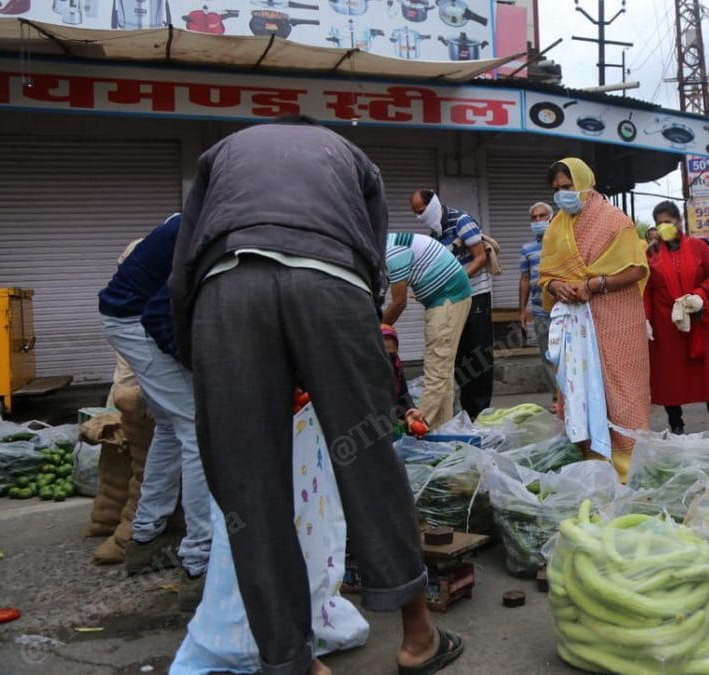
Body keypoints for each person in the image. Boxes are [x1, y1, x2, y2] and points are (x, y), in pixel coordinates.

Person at [170, 117, 462, 675]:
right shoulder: (352, 156)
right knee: (370, 459)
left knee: (249, 489)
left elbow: (184, 265)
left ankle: (294, 663)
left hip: (226, 289)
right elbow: (374, 260)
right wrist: (348, 350)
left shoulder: (221, 154)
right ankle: (418, 636)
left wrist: (205, 366)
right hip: (331, 282)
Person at [98, 213, 210, 612]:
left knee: (169, 423)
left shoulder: (202, 216)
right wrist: (196, 367)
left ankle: (145, 537)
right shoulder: (207, 231)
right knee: (196, 426)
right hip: (133, 318)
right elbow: (160, 313)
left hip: (131, 312)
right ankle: (199, 560)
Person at [539, 157, 650, 479]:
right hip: (575, 324)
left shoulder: (616, 221)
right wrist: (558, 285)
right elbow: (547, 275)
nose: (562, 194)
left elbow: (635, 269)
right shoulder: (556, 227)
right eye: (557, 189)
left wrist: (592, 284)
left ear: (587, 182)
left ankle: (629, 472)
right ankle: (592, 468)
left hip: (616, 320)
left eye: (568, 186)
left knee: (621, 391)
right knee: (580, 390)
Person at [644, 200, 709, 435]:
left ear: (679, 222)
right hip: (666, 324)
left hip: (698, 319)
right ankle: (677, 426)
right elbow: (647, 291)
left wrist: (700, 295)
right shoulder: (650, 254)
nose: (663, 227)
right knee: (670, 376)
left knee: (708, 376)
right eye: (659, 223)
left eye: (668, 222)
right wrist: (646, 319)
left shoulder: (698, 246)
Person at [411, 188, 494, 419]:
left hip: (476, 294)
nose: (420, 216)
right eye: (416, 213)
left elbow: (480, 257)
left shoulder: (461, 221)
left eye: (422, 210)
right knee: (456, 355)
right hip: (453, 300)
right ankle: (464, 412)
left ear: (433, 204)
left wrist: (455, 281)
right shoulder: (434, 235)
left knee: (477, 353)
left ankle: (479, 413)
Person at [383, 231, 473, 428]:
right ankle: (442, 429)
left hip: (448, 299)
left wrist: (377, 331)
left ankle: (420, 423)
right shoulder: (385, 243)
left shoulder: (391, 253)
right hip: (443, 300)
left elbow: (399, 303)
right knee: (444, 370)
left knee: (437, 363)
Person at [519, 202, 559, 399]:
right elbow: (525, 279)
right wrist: (522, 310)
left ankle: (571, 397)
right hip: (540, 310)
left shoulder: (562, 242)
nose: (538, 220)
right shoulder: (527, 249)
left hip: (563, 309)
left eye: (542, 216)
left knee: (567, 354)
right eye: (534, 217)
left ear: (551, 217)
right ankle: (556, 397)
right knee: (547, 355)